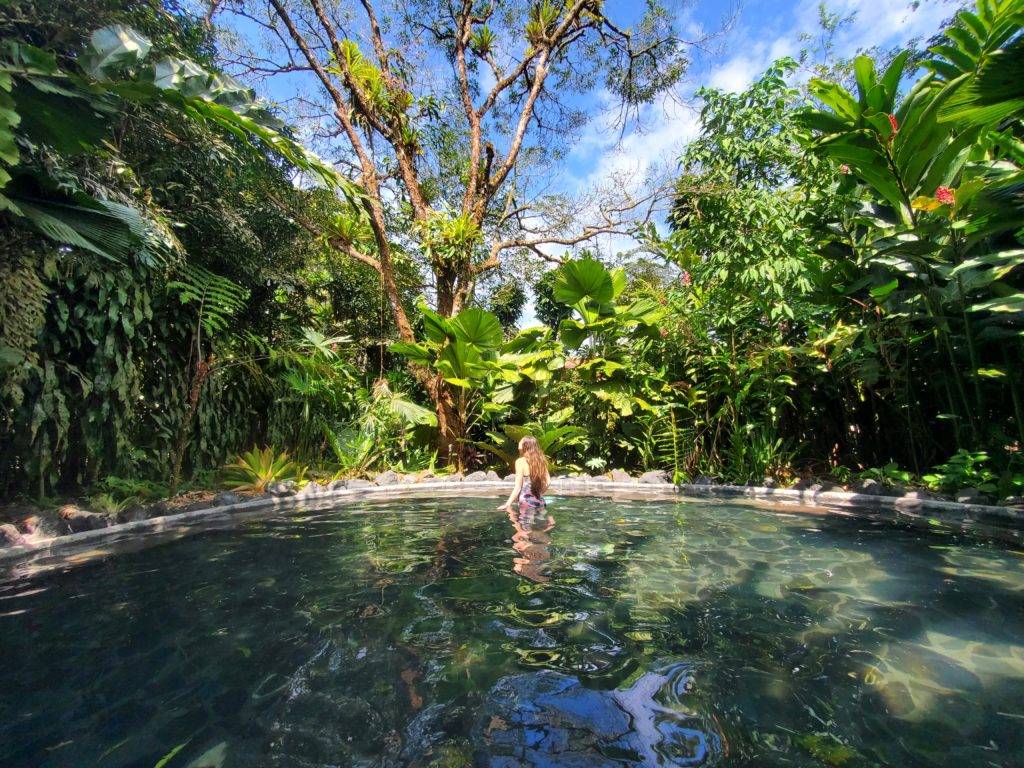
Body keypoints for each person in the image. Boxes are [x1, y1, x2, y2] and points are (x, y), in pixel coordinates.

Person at [497, 436, 550, 511]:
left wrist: (507, 504)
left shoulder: (520, 461)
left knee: (522, 522)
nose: (518, 443)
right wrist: (539, 494)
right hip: (540, 502)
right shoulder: (541, 461)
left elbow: (518, 487)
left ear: (525, 445)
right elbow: (548, 482)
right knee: (541, 522)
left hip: (526, 502)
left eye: (520, 441)